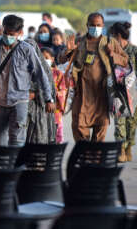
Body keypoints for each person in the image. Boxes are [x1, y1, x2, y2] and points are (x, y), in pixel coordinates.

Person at [0, 15, 55, 146]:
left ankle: (13, 166)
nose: (7, 37)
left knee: (17, 141)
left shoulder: (26, 50)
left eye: (12, 34)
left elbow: (41, 75)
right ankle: (2, 165)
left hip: (19, 102)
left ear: (20, 33)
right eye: (5, 33)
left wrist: (48, 99)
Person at [59, 12, 128, 142]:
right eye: (92, 25)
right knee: (78, 128)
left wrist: (113, 54)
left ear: (103, 26)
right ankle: (84, 157)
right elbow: (61, 60)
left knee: (100, 132)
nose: (95, 28)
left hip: (102, 95)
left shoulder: (110, 42)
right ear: (87, 25)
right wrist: (68, 50)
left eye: (98, 25)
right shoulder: (79, 42)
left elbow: (125, 60)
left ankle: (95, 159)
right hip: (82, 95)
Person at [110, 22, 137, 161]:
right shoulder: (111, 52)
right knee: (119, 121)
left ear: (118, 36)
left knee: (131, 123)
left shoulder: (134, 50)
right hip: (118, 93)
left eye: (113, 36)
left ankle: (128, 148)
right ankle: (120, 149)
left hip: (133, 93)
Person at [42, 47, 66, 143]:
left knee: (57, 133)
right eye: (41, 57)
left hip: (55, 108)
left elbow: (63, 91)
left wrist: (54, 92)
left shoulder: (58, 73)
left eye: (46, 57)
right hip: (41, 108)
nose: (43, 60)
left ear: (52, 59)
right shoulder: (35, 73)